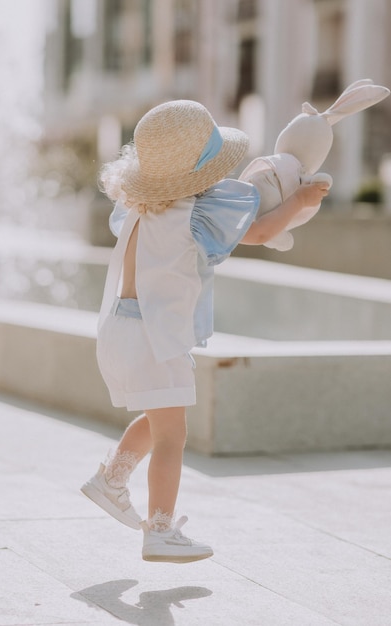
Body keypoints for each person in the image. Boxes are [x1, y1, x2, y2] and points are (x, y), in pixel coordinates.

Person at [81, 100, 329, 563]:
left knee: (160, 417)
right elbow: (256, 234)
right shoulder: (191, 214)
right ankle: (159, 529)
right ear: (200, 172)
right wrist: (298, 202)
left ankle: (112, 479)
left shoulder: (138, 207)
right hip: (155, 334)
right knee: (173, 435)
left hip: (123, 327)